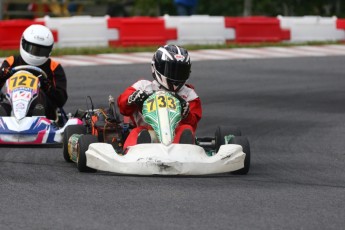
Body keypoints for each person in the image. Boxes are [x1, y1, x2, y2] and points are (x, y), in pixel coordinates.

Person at [117, 44, 202, 150]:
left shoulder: (189, 95)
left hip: (174, 138)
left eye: (181, 71)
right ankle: (134, 151)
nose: (176, 75)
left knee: (186, 129)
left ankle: (184, 151)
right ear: (157, 67)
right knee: (137, 132)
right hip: (148, 134)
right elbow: (123, 106)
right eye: (172, 70)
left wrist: (186, 115)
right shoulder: (143, 86)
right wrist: (132, 98)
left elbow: (193, 123)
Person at [0, 24, 68, 121]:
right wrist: (2, 75)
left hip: (43, 108)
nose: (35, 54)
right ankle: (4, 114)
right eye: (31, 47)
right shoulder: (11, 61)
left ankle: (37, 116)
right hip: (13, 101)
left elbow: (61, 100)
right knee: (5, 101)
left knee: (39, 102)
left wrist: (48, 87)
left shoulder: (54, 67)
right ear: (23, 42)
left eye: (41, 51)